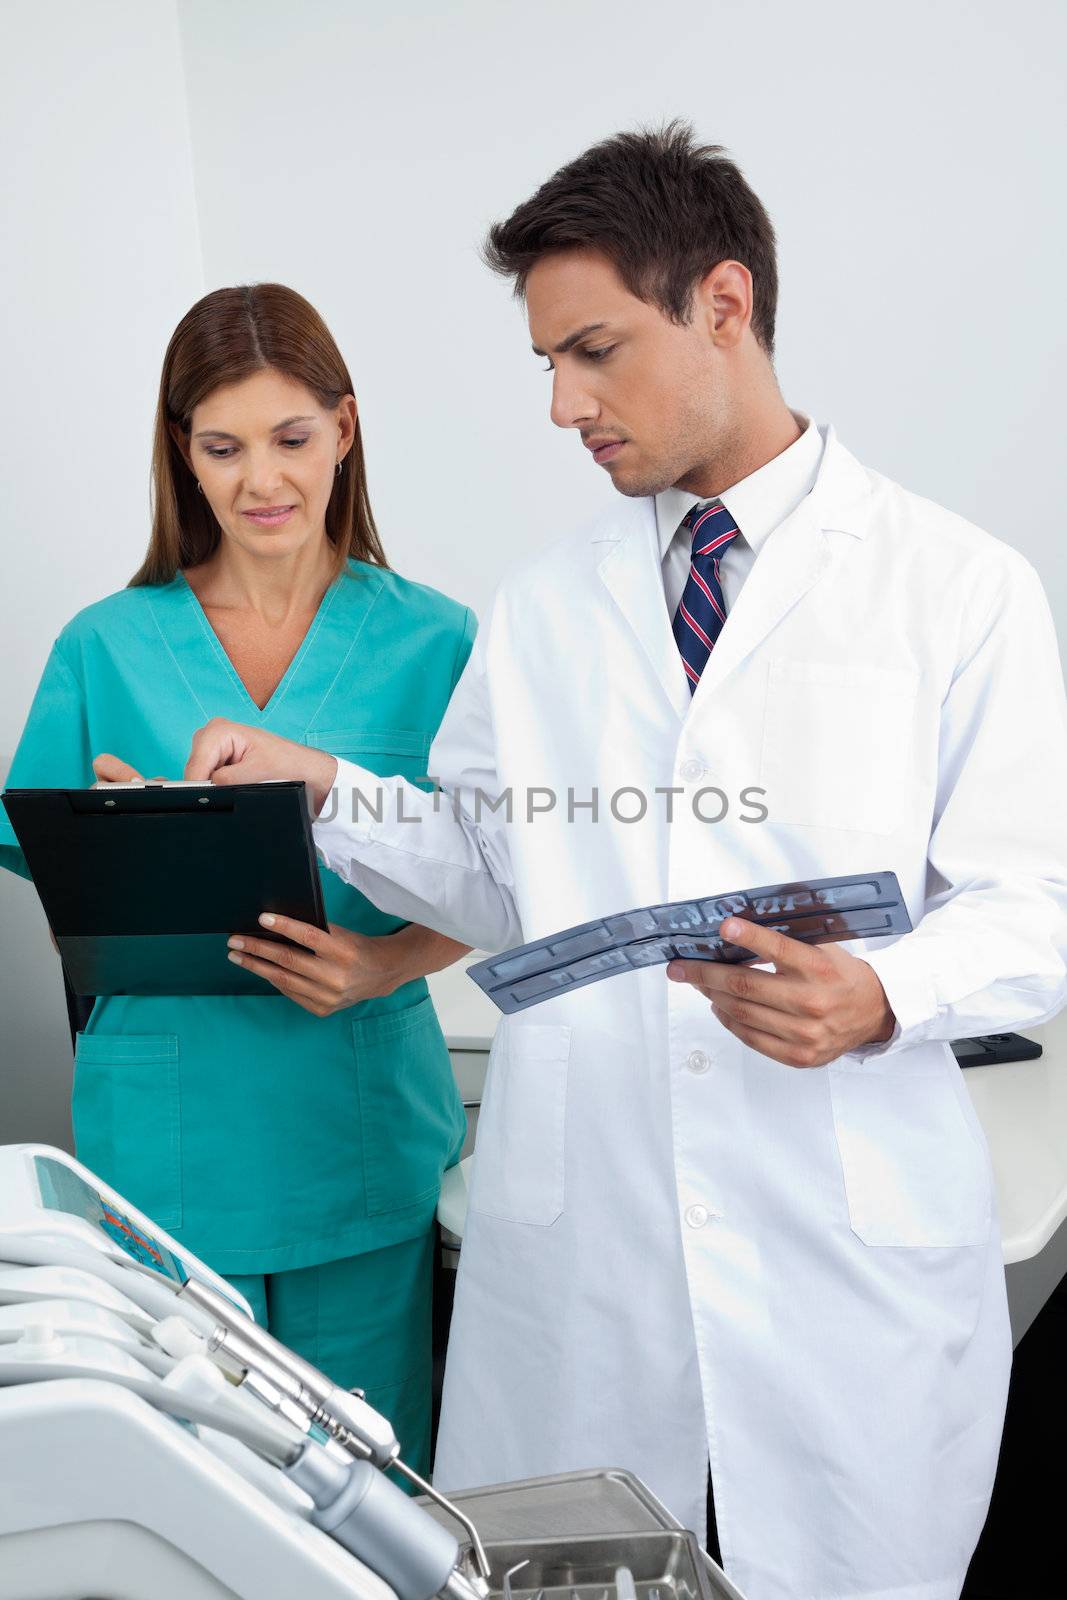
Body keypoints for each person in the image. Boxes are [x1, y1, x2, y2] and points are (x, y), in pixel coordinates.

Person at [175, 127, 1067, 1600]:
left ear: (723, 304)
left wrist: (880, 993)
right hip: (585, 1242)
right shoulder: (546, 607)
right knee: (560, 1568)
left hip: (837, 1245)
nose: (558, 405)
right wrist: (325, 790)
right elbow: (492, 872)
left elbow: (1034, 900)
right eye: (543, 362)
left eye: (590, 351)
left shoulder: (954, 587)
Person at [0, 283, 476, 1479]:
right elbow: (45, 857)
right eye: (222, 447)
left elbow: (504, 873)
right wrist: (127, 838)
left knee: (375, 1487)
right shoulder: (105, 643)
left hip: (351, 1122)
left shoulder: (441, 641)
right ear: (183, 455)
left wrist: (380, 963)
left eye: (290, 438)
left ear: (345, 431)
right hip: (164, 1137)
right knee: (201, 1496)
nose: (261, 480)